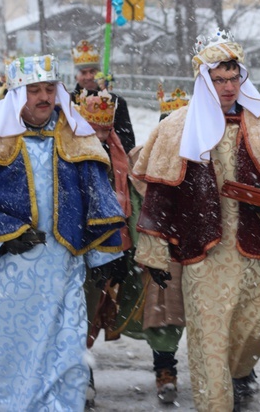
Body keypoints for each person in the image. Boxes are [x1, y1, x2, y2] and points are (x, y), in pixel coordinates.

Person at [132, 29, 260, 411]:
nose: (228, 87)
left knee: (251, 337)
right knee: (208, 344)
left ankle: (236, 375)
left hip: (256, 252)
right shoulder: (178, 126)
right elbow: (160, 191)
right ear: (203, 80)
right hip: (205, 255)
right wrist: (154, 252)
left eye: (234, 78)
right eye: (219, 79)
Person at [0, 54, 127, 410]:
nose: (43, 97)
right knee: (21, 355)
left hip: (63, 263)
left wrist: (104, 253)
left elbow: (96, 196)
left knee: (69, 354)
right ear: (16, 95)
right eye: (34, 90)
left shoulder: (75, 135)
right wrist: (5, 234)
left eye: (49, 89)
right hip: (11, 269)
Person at [77, 87, 187, 406]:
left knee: (166, 306)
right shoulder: (139, 158)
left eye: (106, 129)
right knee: (82, 312)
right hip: (83, 248)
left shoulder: (123, 159)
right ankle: (81, 372)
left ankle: (172, 368)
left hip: (142, 247)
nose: (100, 136)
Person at [70, 40, 135, 153]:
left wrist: (105, 144)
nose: (89, 77)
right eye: (83, 73)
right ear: (76, 76)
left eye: (92, 71)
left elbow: (128, 141)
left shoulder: (117, 102)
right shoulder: (68, 102)